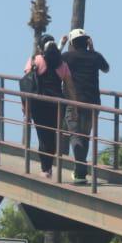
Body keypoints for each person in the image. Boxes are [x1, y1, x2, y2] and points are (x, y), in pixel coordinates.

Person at [59, 28, 109, 185]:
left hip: (73, 102)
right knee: (85, 136)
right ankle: (80, 173)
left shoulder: (67, 57)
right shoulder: (95, 56)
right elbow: (106, 68)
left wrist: (61, 45)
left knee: (74, 135)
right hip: (93, 103)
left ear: (72, 43)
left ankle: (81, 169)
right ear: (87, 42)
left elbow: (51, 62)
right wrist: (93, 50)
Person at [22, 37, 72, 176]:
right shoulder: (62, 64)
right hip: (57, 106)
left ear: (41, 48)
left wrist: (25, 105)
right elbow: (69, 86)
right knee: (51, 135)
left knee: (42, 136)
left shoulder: (35, 61)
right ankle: (48, 166)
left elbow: (27, 83)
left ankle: (46, 169)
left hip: (39, 104)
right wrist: (74, 105)